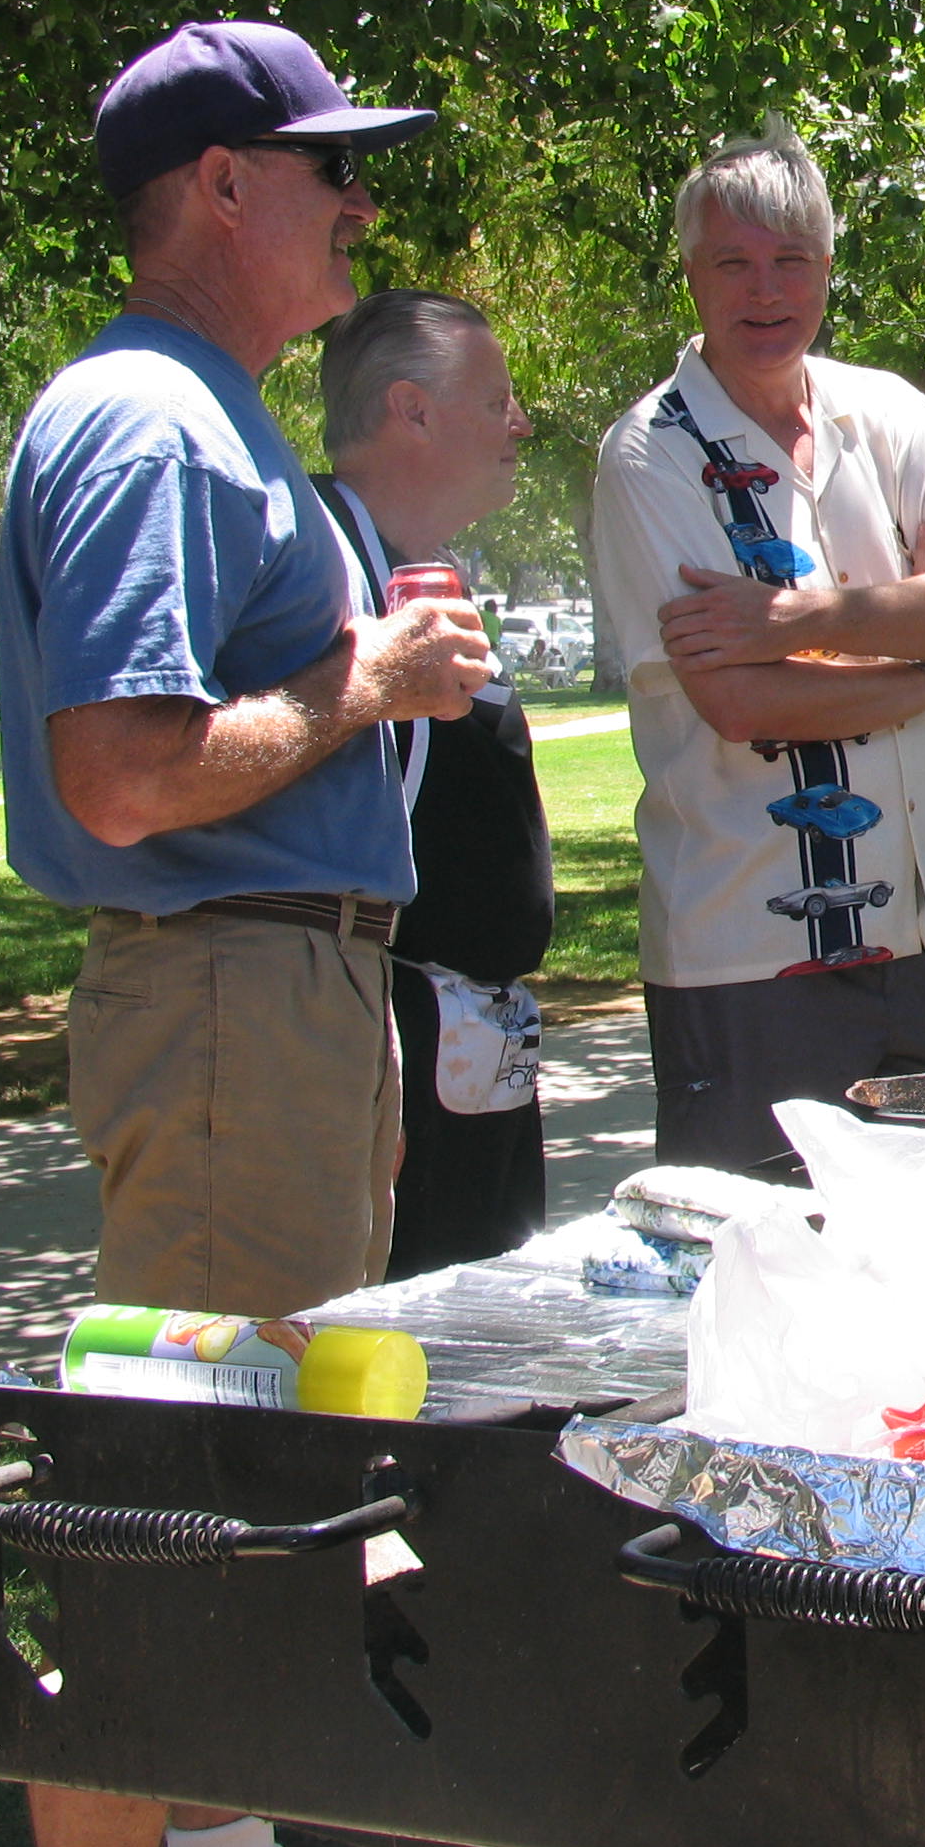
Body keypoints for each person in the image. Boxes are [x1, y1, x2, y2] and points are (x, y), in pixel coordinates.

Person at [0, 20, 490, 1847]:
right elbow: (121, 774)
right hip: (224, 1003)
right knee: (181, 1507)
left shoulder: (206, 412)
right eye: (328, 167)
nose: (361, 202)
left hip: (276, 1000)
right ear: (222, 186)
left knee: (255, 1479)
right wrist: (358, 677)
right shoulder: (149, 418)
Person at [591, 119, 925, 1178]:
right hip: (742, 960)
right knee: (759, 1265)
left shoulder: (886, 412)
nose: (765, 292)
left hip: (915, 943)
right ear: (692, 276)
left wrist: (810, 621)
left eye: (791, 262)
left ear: (828, 270)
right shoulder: (649, 458)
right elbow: (745, 710)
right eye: (732, 264)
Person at [318, 290, 557, 1276]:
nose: (521, 422)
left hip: (475, 1050)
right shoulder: (319, 570)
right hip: (382, 1043)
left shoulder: (425, 572)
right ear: (411, 411)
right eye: (495, 398)